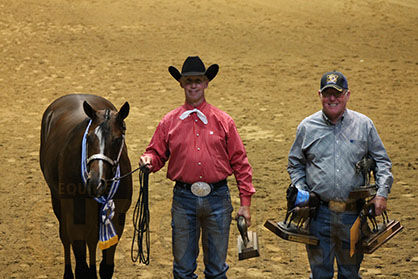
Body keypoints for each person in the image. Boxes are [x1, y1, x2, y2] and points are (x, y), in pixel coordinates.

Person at [139, 56, 255, 279]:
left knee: (217, 269)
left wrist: (245, 204)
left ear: (206, 83)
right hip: (184, 199)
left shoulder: (224, 121)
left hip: (218, 198)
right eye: (189, 80)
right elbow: (156, 153)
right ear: (181, 83)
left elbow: (240, 163)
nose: (193, 85)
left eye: (198, 80)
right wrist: (148, 160)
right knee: (183, 270)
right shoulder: (168, 122)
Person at [287, 71, 393, 279]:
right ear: (320, 95)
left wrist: (382, 194)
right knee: (320, 274)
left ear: (347, 95)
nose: (332, 99)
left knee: (350, 273)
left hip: (353, 216)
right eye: (327, 94)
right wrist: (302, 193)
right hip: (319, 215)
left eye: (337, 94)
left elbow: (382, 162)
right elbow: (295, 164)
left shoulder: (364, 125)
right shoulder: (307, 127)